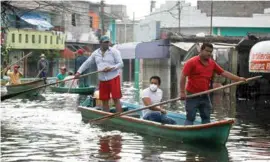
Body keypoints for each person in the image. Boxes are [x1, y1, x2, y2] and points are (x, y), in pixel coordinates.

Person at [180, 42, 246, 125]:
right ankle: (187, 135)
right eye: (207, 51)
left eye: (210, 52)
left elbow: (223, 72)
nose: (209, 53)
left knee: (206, 117)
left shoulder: (212, 63)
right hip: (192, 95)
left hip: (205, 95)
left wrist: (238, 79)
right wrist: (182, 92)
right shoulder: (191, 62)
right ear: (201, 50)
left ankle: (205, 134)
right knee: (190, 118)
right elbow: (183, 77)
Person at [75, 35, 124, 112]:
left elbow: (121, 64)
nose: (107, 44)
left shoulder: (114, 52)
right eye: (105, 42)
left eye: (108, 42)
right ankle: (106, 117)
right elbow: (87, 63)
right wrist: (78, 72)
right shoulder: (95, 53)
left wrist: (111, 68)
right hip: (102, 80)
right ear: (100, 43)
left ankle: (119, 117)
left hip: (113, 78)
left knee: (116, 98)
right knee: (104, 100)